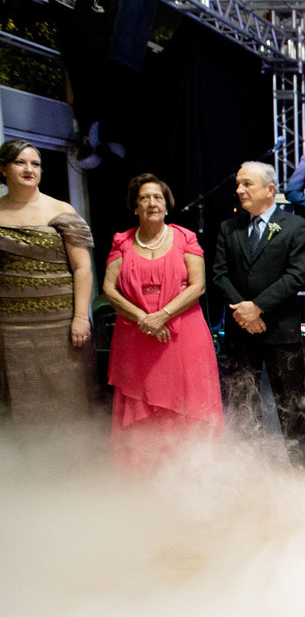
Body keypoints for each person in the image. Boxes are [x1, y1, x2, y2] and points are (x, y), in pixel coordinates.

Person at [102, 174, 223, 458]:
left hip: (183, 333)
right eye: (144, 198)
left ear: (167, 206)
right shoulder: (122, 241)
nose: (152, 203)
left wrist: (162, 316)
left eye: (158, 197)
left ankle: (189, 464)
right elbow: (108, 289)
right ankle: (145, 466)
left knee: (187, 398)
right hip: (136, 333)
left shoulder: (185, 238)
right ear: (135, 207)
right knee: (141, 399)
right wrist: (144, 318)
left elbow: (198, 286)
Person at [211, 161, 305, 466]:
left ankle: (302, 472)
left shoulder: (295, 226)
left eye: (247, 184)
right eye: (238, 184)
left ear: (270, 190)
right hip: (240, 333)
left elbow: (296, 276)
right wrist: (244, 312)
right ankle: (248, 471)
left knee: (292, 406)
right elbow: (219, 275)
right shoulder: (228, 228)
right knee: (242, 405)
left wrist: (257, 307)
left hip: (281, 330)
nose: (239, 190)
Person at [0, 139, 96, 423]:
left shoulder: (61, 210)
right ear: (3, 169)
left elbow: (82, 267)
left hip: (60, 325)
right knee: (17, 397)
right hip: (9, 326)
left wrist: (80, 317)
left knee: (65, 394)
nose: (29, 169)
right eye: (20, 163)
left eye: (35, 164)